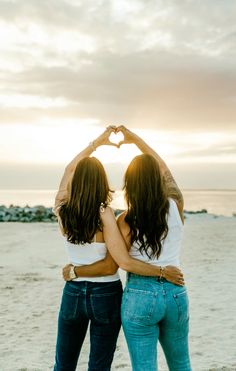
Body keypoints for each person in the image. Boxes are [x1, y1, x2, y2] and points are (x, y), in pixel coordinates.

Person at [54, 126, 184, 371]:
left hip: (72, 293)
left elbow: (68, 169)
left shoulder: (62, 210)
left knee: (63, 364)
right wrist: (136, 141)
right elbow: (112, 264)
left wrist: (96, 144)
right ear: (102, 182)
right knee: (99, 365)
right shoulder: (106, 215)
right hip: (106, 294)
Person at [100, 126, 192, 371]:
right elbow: (165, 170)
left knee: (143, 367)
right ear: (157, 181)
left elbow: (124, 262)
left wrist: (159, 272)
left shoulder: (126, 220)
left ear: (130, 184)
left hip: (141, 295)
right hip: (176, 292)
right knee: (181, 363)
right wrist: (136, 141)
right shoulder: (175, 205)